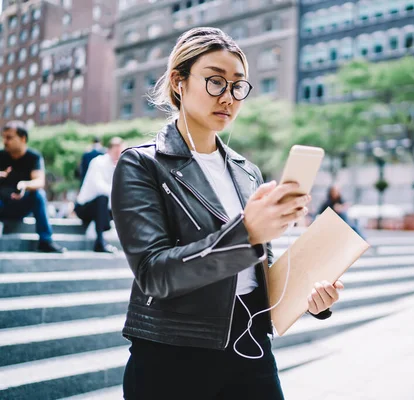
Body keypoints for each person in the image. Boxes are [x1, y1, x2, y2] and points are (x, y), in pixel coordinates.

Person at [111, 27, 344, 400]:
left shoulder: (245, 170)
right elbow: (154, 274)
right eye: (215, 81)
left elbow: (255, 272)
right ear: (179, 81)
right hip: (173, 354)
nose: (229, 97)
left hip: (250, 347)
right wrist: (247, 231)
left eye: (238, 86)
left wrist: (308, 296)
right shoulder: (142, 164)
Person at [0, 121, 66, 253]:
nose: (5, 141)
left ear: (23, 138)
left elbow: (39, 181)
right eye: (4, 137)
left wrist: (25, 184)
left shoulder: (33, 157)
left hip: (21, 205)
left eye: (9, 137)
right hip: (2, 205)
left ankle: (45, 240)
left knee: (39, 194)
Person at [75, 137, 124, 253]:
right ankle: (100, 242)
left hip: (107, 209)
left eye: (121, 152)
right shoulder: (98, 162)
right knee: (102, 198)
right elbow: (99, 187)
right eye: (116, 151)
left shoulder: (121, 166)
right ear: (108, 150)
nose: (118, 154)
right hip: (85, 207)